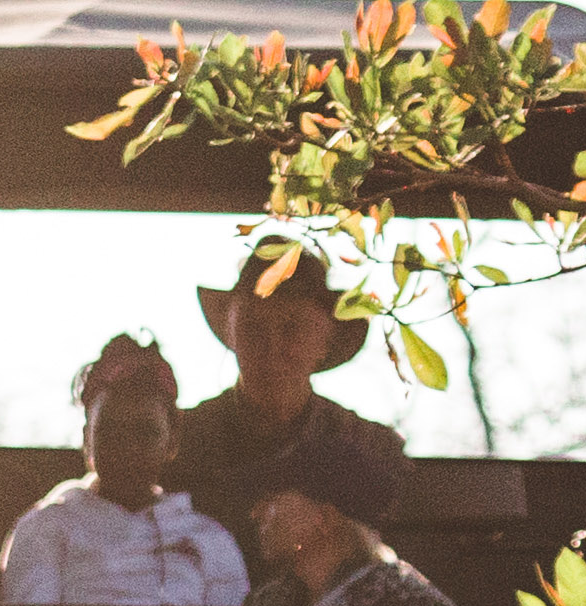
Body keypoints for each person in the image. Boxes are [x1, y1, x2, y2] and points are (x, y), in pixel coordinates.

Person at [175, 236, 410, 553]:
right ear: (231, 334)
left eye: (292, 329)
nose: (271, 349)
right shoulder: (181, 442)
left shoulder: (370, 447)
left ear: (325, 342)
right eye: (253, 328)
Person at [0, 334, 247, 606]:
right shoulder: (45, 528)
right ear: (87, 440)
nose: (127, 449)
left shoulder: (210, 539)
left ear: (172, 440)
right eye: (110, 432)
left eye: (146, 433)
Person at [243, 415, 458, 606]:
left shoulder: (406, 604)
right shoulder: (266, 605)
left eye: (273, 498)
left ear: (325, 519)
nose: (256, 513)